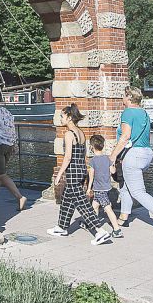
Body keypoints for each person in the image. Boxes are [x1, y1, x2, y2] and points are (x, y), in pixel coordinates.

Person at [108, 86, 153, 236]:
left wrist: (112, 156)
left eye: (123, 96)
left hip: (133, 155)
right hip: (146, 153)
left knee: (137, 191)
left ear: (129, 98)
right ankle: (123, 218)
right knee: (125, 187)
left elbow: (125, 137)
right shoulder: (143, 112)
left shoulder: (128, 112)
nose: (122, 99)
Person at [48, 104, 112, 245]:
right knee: (67, 199)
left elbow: (68, 157)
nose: (60, 119)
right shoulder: (81, 133)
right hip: (81, 170)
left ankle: (100, 231)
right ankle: (61, 227)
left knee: (83, 205)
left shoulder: (69, 134)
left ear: (70, 118)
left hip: (73, 172)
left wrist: (59, 174)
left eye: (62, 116)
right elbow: (82, 155)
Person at [86, 134, 123, 238]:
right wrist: (113, 165)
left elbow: (91, 175)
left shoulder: (92, 161)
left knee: (108, 209)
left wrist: (89, 188)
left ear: (92, 147)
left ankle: (117, 229)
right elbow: (113, 171)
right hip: (106, 187)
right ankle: (91, 223)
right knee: (95, 206)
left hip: (99, 188)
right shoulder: (107, 159)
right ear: (102, 145)